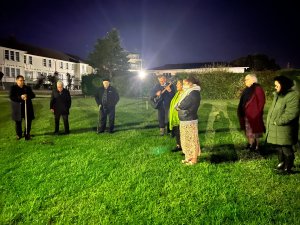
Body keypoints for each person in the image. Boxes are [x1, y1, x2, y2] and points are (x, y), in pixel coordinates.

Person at [266, 75, 299, 174]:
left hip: (285, 128)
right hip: (276, 128)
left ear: (283, 85)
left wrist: (278, 121)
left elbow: (291, 113)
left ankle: (288, 168)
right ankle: (281, 163)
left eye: (277, 85)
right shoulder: (279, 95)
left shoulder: (293, 96)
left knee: (286, 148)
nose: (275, 87)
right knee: (278, 147)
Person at [175, 75, 201, 165]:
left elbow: (183, 104)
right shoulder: (188, 92)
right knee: (185, 138)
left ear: (191, 84)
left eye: (185, 83)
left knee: (192, 139)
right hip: (185, 119)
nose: (183, 85)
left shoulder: (193, 93)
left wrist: (178, 106)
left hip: (189, 119)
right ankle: (188, 157)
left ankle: (194, 159)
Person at [237, 74, 266, 151]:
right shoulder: (247, 89)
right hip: (246, 113)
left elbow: (261, 102)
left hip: (254, 114)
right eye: (245, 79)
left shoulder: (257, 89)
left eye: (247, 79)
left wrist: (257, 112)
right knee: (248, 130)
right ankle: (250, 144)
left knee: (255, 131)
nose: (245, 81)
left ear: (253, 80)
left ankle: (256, 146)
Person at [9, 75, 35, 140]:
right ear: (17, 81)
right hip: (18, 108)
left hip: (27, 107)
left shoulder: (27, 88)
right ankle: (19, 134)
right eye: (21, 80)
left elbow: (33, 95)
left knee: (28, 121)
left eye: (23, 80)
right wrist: (20, 97)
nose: (22, 82)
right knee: (18, 122)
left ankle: (27, 134)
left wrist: (27, 96)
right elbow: (12, 97)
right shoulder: (13, 88)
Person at [169, 79, 184, 152]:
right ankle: (178, 145)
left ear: (182, 85)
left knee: (181, 132)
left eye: (178, 84)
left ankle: (183, 146)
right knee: (177, 132)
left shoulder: (184, 94)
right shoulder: (177, 93)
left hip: (181, 117)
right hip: (175, 117)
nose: (176, 85)